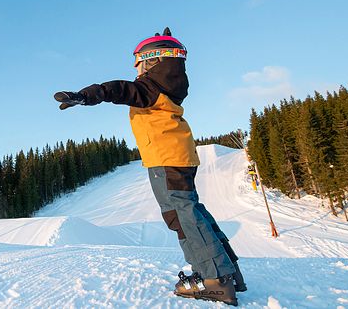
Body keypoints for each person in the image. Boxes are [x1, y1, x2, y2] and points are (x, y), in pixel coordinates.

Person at [54, 27, 246, 306]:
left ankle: (215, 280)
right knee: (190, 212)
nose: (138, 70)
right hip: (176, 155)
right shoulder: (168, 85)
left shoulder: (150, 87)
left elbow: (119, 89)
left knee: (182, 216)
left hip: (165, 158)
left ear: (154, 59)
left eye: (140, 63)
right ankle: (226, 273)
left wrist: (86, 95)